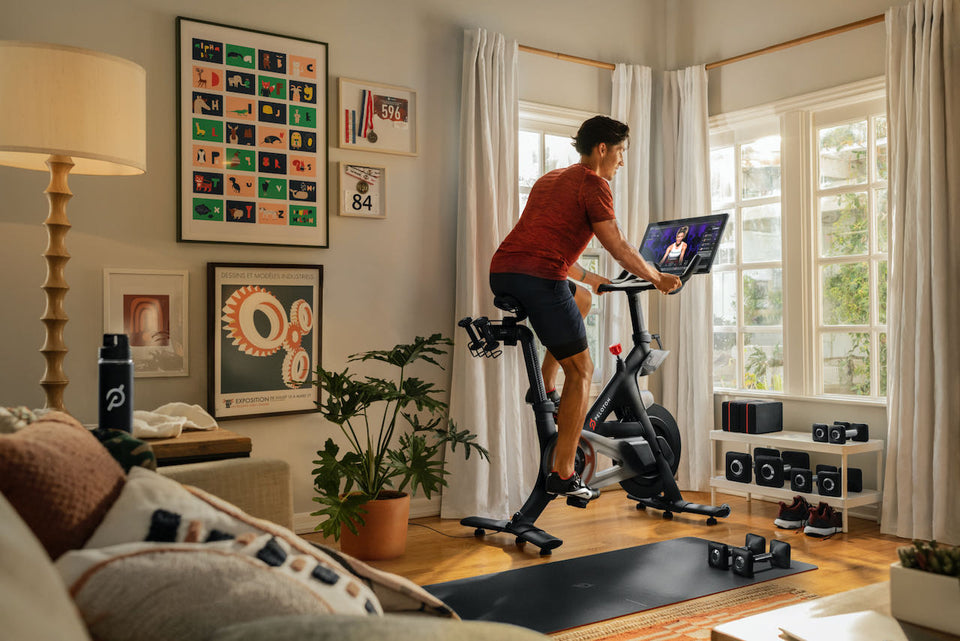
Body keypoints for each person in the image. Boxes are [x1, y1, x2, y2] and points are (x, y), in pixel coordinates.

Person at [489, 115, 682, 502]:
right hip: (540, 279)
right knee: (583, 369)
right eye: (621, 152)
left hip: (504, 271)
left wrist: (591, 278)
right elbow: (620, 245)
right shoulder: (594, 184)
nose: (622, 162)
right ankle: (562, 472)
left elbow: (540, 242)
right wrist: (657, 277)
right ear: (603, 149)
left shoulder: (550, 179)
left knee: (581, 299)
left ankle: (545, 384)